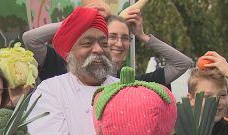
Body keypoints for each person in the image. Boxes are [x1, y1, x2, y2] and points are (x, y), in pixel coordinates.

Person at [27, 7, 177, 135]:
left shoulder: (130, 88)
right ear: (68, 52)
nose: (98, 49)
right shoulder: (50, 90)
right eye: (87, 43)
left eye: (103, 43)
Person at [22, 6, 193, 85]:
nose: (119, 43)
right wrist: (81, 21)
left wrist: (142, 36)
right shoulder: (63, 68)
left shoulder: (131, 84)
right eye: (110, 37)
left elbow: (183, 64)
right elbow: (30, 39)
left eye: (125, 38)